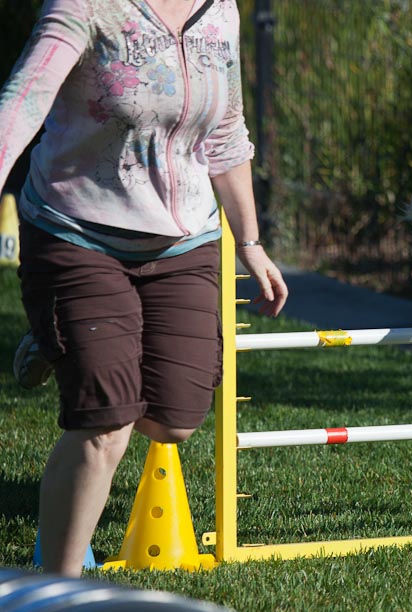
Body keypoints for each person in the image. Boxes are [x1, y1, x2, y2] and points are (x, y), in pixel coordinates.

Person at [0, 0, 288, 577]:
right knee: (104, 421)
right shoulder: (86, 7)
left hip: (184, 240)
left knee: (173, 418)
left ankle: (60, 344)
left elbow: (226, 129)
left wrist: (250, 243)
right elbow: (23, 104)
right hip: (77, 229)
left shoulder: (219, 11)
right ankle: (57, 587)